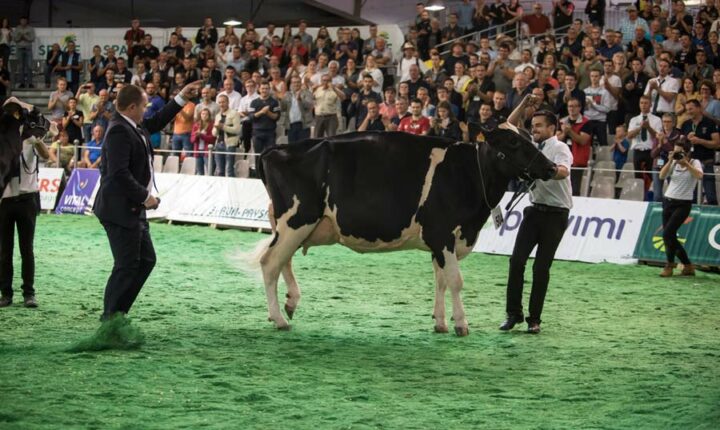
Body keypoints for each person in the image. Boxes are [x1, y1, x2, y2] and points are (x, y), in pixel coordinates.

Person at [92, 81, 200, 325]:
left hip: (132, 209)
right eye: (143, 106)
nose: (146, 110)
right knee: (126, 265)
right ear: (131, 107)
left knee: (145, 261)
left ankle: (117, 313)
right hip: (119, 209)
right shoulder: (119, 130)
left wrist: (181, 97)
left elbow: (157, 121)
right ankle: (110, 317)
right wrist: (145, 196)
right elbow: (118, 174)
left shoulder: (133, 125)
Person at [501, 96, 573, 334]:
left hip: (556, 214)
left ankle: (535, 319)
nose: (534, 129)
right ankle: (513, 314)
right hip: (534, 211)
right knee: (516, 262)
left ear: (553, 128)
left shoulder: (560, 147)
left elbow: (563, 171)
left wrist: (546, 170)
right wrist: (522, 104)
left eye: (539, 125)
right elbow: (508, 126)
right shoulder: (531, 144)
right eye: (533, 126)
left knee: (541, 268)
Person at [0, 99, 53, 308]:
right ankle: (6, 293)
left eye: (16, 113)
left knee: (26, 249)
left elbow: (47, 156)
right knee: (4, 250)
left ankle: (28, 293)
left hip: (28, 197)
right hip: (5, 200)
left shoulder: (32, 135)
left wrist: (37, 141)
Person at [658, 139, 704, 277]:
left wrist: (686, 164)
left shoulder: (694, 162)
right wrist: (670, 160)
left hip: (683, 204)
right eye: (676, 151)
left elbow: (699, 176)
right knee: (669, 237)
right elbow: (661, 176)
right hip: (668, 201)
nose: (678, 154)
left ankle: (669, 265)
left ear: (687, 152)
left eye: (680, 152)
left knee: (667, 234)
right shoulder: (673, 162)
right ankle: (687, 265)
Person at [680, 99, 719, 205]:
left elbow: (716, 143)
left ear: (699, 108)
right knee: (691, 195)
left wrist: (700, 141)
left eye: (691, 109)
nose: (689, 111)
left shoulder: (709, 123)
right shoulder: (685, 124)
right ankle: (692, 219)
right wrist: (686, 140)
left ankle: (713, 218)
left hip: (706, 161)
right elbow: (680, 144)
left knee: (710, 194)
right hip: (691, 163)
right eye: (687, 109)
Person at [212, 94, 242, 177]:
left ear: (228, 102)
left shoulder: (234, 114)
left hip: (230, 144)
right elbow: (214, 133)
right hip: (218, 144)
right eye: (220, 102)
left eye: (223, 102)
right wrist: (216, 128)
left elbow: (237, 130)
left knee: (229, 169)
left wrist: (223, 126)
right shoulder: (217, 115)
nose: (221, 104)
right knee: (219, 170)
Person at [279, 76, 314, 143]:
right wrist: (281, 100)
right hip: (291, 126)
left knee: (303, 148)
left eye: (298, 82)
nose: (296, 84)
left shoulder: (307, 93)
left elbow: (309, 106)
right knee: (292, 148)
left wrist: (300, 100)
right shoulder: (287, 94)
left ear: (301, 83)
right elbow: (283, 108)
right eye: (294, 82)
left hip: (303, 125)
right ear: (291, 84)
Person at [191, 108, 215, 175]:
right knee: (199, 172)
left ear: (209, 116)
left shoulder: (212, 125)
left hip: (207, 152)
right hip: (197, 151)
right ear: (200, 115)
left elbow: (212, 139)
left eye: (206, 114)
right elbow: (192, 140)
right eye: (203, 114)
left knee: (210, 171)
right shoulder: (196, 125)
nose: (204, 115)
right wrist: (196, 136)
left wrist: (201, 135)